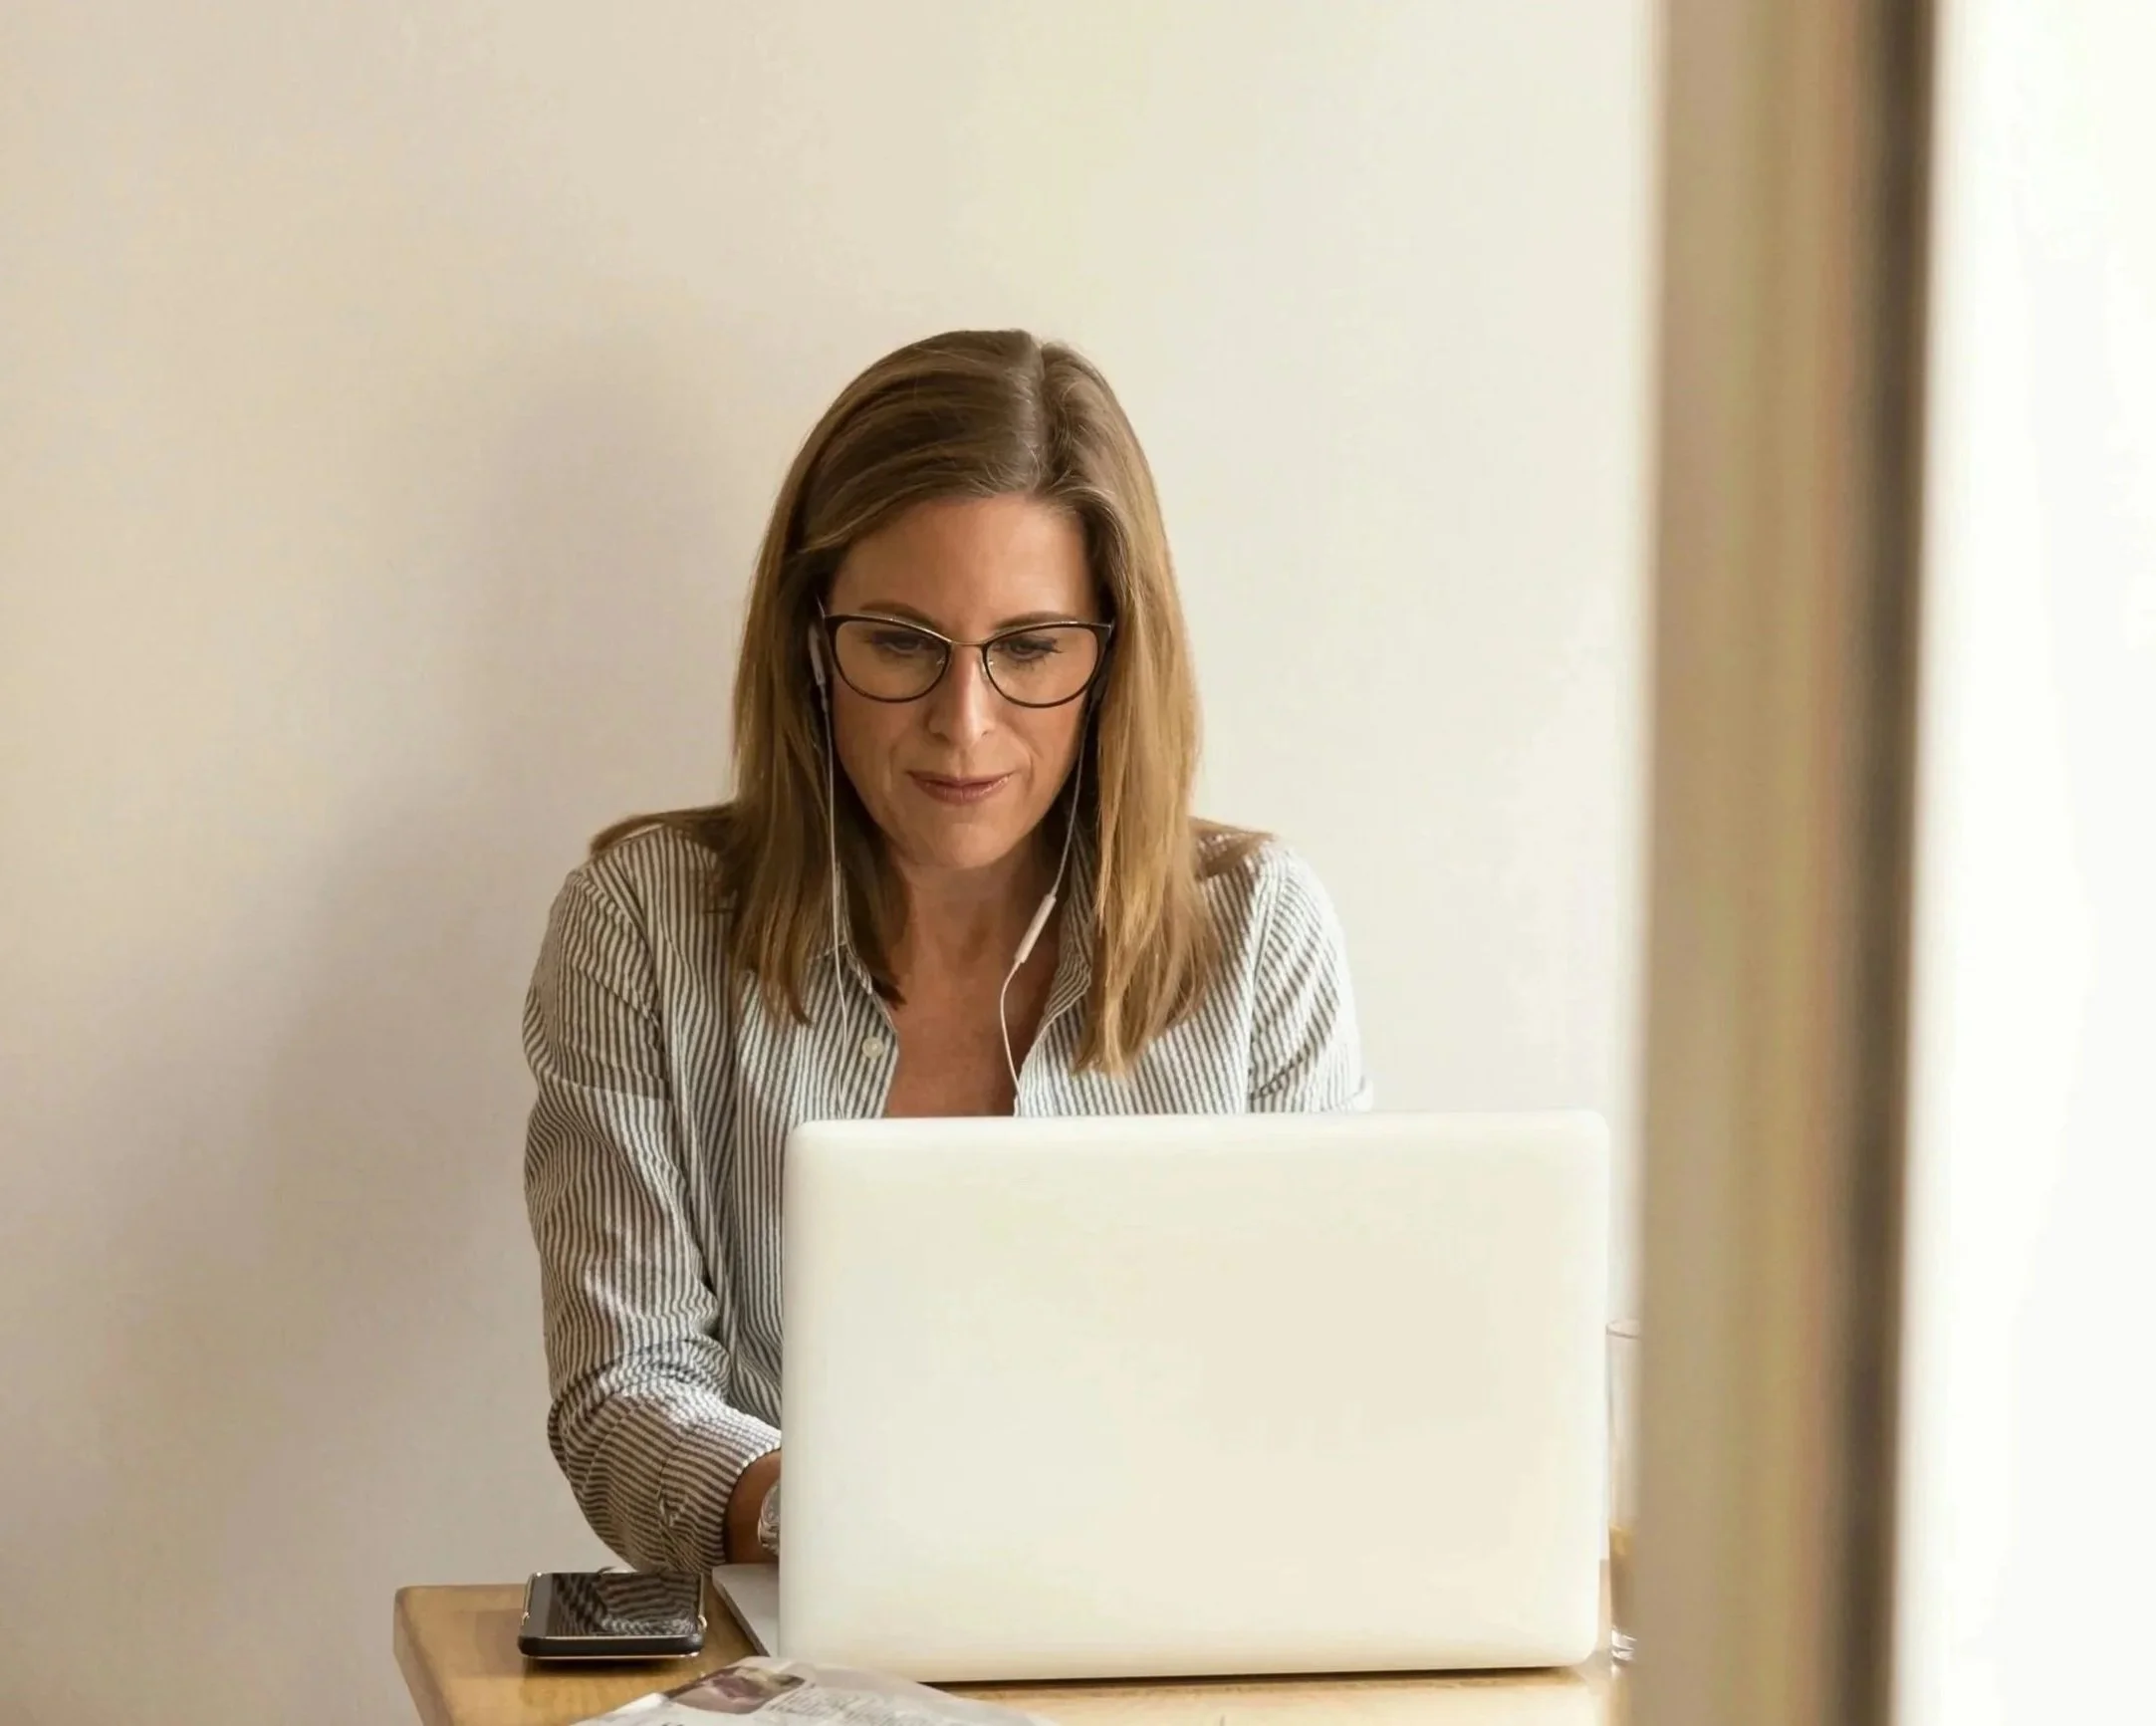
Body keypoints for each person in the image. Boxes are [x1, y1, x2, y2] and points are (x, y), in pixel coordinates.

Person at [522, 329, 1369, 1573]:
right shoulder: (641, 925)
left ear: (1112, 655)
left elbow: (1321, 1383)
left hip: (1175, 1640)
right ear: (813, 640)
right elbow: (621, 1395)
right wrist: (863, 1527)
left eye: (1028, 648)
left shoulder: (1259, 933)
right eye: (901, 643)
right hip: (800, 1658)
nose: (962, 724)